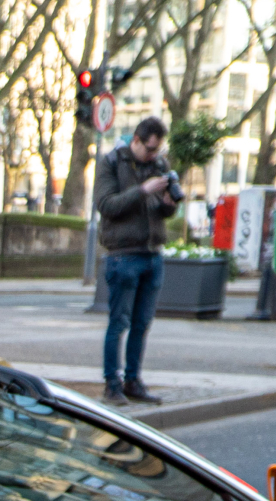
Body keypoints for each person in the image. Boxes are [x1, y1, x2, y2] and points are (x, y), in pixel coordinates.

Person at [93, 115, 181, 405]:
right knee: (118, 322)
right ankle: (112, 384)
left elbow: (162, 212)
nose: (153, 155)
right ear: (136, 140)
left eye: (157, 150)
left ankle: (133, 380)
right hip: (123, 255)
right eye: (149, 149)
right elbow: (106, 205)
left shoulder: (159, 166)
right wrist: (142, 190)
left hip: (153, 253)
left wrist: (168, 205)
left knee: (142, 324)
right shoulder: (112, 163)